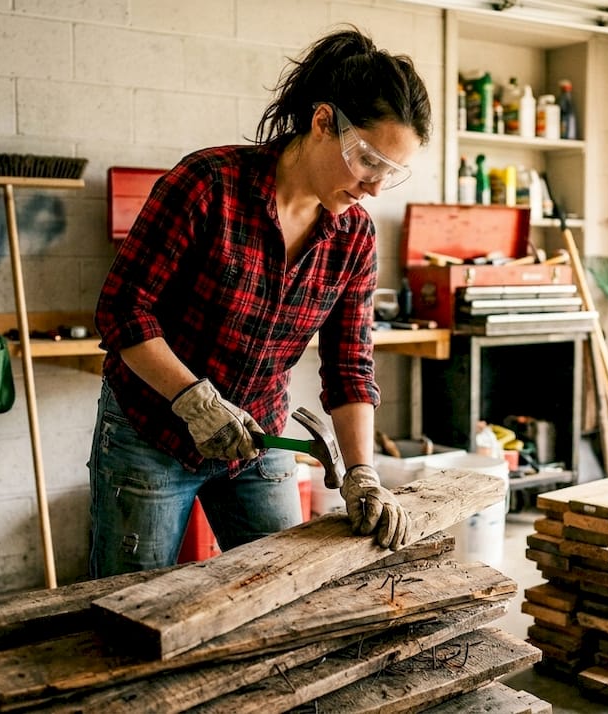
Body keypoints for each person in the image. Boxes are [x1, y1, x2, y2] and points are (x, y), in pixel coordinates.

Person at [88, 26, 433, 577]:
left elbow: (349, 367)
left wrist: (363, 471)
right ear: (323, 122)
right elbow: (124, 309)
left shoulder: (354, 237)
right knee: (129, 600)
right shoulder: (208, 185)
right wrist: (194, 401)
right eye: (368, 160)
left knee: (283, 591)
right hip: (150, 432)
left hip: (258, 434)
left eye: (390, 173)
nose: (373, 187)